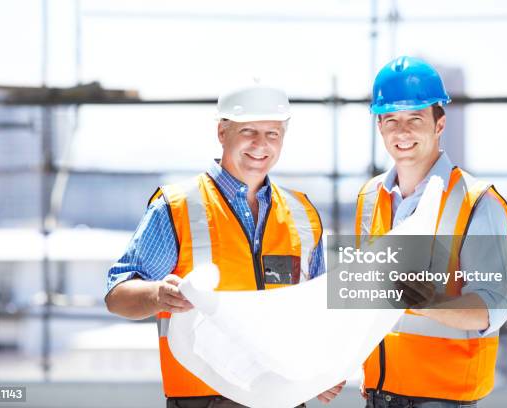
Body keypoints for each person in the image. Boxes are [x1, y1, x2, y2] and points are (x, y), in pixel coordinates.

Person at [105, 80, 344, 407]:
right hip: (205, 399)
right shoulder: (176, 207)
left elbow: (317, 311)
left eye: (272, 133)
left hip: (285, 398)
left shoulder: (302, 214)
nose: (261, 144)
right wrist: (158, 295)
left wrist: (323, 368)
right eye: (248, 131)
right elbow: (117, 296)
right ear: (222, 133)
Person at [355, 56, 507, 407]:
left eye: (415, 118)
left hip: (442, 399)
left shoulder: (475, 201)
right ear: (379, 126)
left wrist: (429, 302)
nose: (402, 131)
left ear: (439, 124)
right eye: (391, 119)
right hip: (379, 395)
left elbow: (492, 306)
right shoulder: (370, 198)